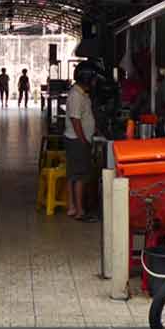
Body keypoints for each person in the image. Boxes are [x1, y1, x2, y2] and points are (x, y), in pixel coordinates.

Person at [64, 62, 99, 221]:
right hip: (77, 140)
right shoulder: (77, 95)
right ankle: (80, 211)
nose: (94, 82)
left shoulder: (81, 93)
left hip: (75, 140)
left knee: (73, 174)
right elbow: (75, 120)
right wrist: (83, 140)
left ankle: (72, 206)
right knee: (80, 176)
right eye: (93, 78)